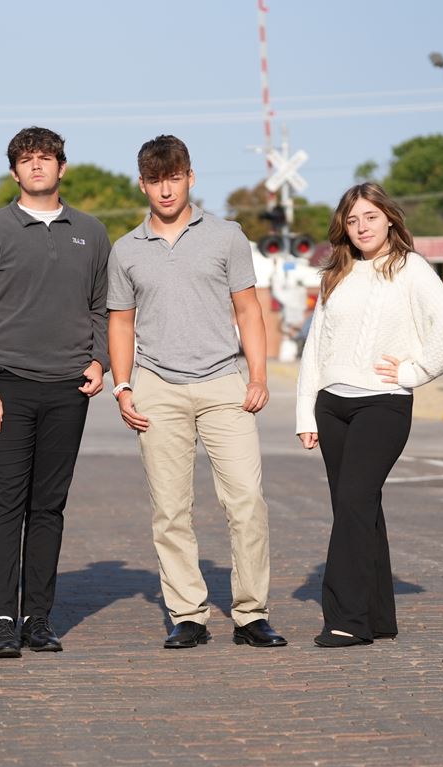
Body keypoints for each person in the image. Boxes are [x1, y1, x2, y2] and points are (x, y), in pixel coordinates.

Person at [107, 135, 286, 650]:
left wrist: (258, 376)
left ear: (190, 177)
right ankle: (188, 614)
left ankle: (251, 614)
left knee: (247, 502)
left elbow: (249, 310)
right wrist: (123, 388)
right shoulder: (126, 250)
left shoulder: (227, 236)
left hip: (224, 383)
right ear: (143, 184)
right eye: (156, 180)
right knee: (170, 510)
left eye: (175, 177)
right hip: (157, 386)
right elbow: (120, 323)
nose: (166, 189)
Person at [0, 126, 110, 658]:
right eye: (27, 160)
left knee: (48, 506)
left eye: (46, 159)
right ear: (14, 172)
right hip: (5, 388)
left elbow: (101, 307)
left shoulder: (90, 232)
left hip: (68, 388)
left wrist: (101, 360)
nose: (37, 167)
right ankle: (2, 620)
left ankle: (37, 618)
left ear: (62, 167)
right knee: (5, 505)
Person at [296, 182, 443, 647]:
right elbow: (316, 346)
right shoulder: (335, 273)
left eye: (369, 217)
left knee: (353, 501)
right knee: (357, 509)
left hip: (383, 403)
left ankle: (347, 619)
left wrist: (414, 370)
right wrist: (305, 414)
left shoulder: (409, 268)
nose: (361, 227)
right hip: (332, 406)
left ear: (388, 218)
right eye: (352, 221)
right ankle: (379, 617)